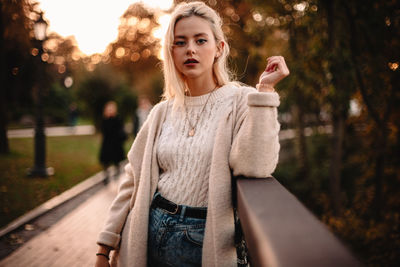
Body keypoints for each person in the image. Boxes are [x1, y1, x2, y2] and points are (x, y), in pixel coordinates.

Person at [95, 2, 289, 267]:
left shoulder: (241, 100)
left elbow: (255, 166)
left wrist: (265, 92)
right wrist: (104, 247)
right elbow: (132, 180)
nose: (190, 49)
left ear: (219, 48)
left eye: (200, 40)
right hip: (151, 231)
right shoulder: (161, 112)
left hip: (204, 238)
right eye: (180, 42)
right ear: (171, 52)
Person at [99, 101, 127, 184]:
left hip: (116, 144)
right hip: (107, 143)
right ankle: (106, 176)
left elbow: (120, 130)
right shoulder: (104, 119)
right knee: (105, 162)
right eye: (109, 109)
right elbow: (104, 131)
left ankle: (117, 174)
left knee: (116, 161)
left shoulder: (118, 118)